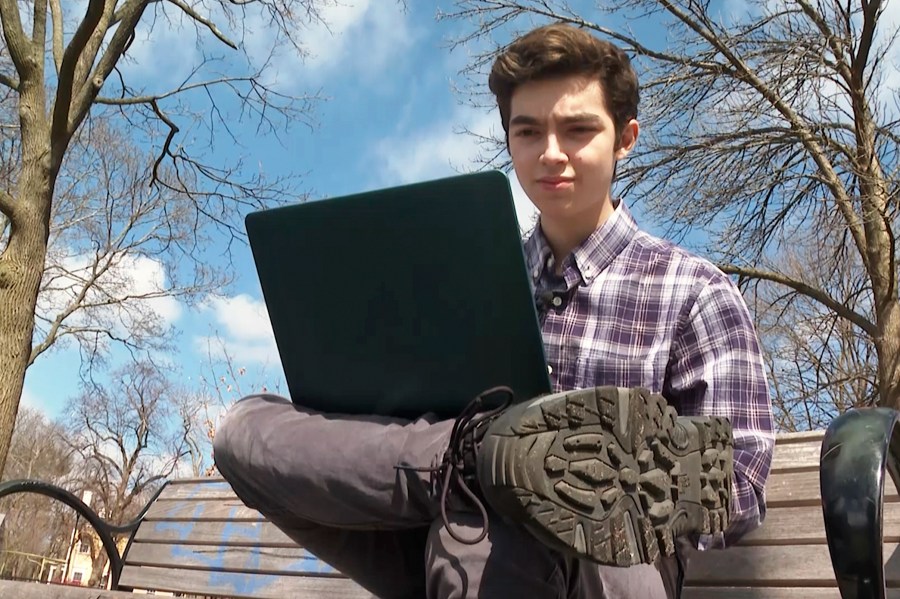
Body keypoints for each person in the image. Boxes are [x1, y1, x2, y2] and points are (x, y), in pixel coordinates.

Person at [213, 23, 775, 599]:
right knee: (244, 429)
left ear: (625, 138)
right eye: (528, 131)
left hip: (610, 569)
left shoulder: (694, 292)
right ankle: (481, 458)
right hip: (436, 526)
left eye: (578, 130)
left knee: (495, 531)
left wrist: (602, 480)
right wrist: (491, 464)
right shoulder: (459, 277)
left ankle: (499, 470)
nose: (551, 153)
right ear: (509, 140)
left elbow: (742, 483)